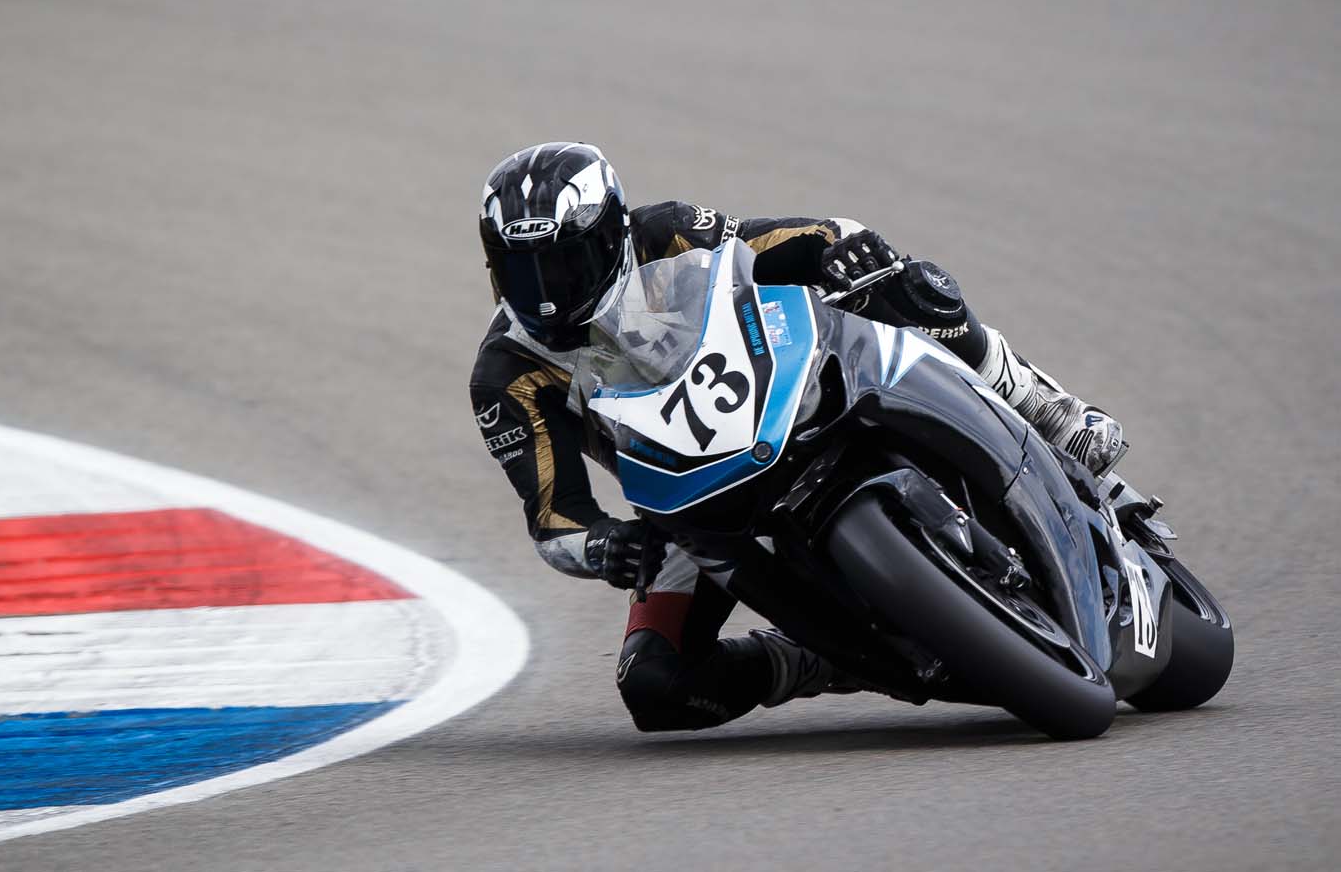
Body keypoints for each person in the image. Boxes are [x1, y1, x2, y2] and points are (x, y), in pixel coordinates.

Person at [468, 141, 1125, 732]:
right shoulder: (507, 373)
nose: (548, 293)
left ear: (611, 235)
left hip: (787, 389)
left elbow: (799, 238)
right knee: (655, 687)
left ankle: (1052, 411)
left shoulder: (664, 234)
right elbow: (555, 520)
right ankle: (815, 659)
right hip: (688, 502)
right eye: (526, 272)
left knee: (913, 290)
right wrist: (604, 546)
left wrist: (846, 254)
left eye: (565, 264)